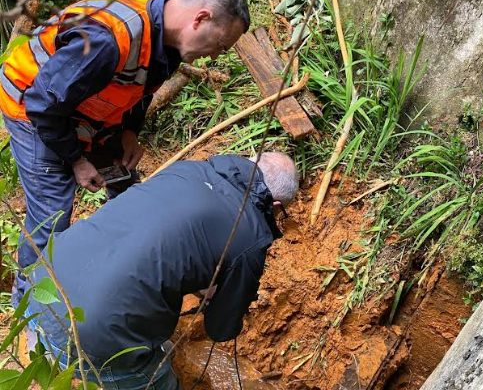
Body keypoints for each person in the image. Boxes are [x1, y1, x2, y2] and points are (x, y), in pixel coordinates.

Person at [0, 0, 250, 304]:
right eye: (220, 45)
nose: (215, 56)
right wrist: (76, 160)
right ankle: (31, 311)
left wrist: (129, 132)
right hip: (31, 106)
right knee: (52, 212)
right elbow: (43, 104)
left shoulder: (167, 40)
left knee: (124, 182)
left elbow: (139, 88)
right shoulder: (109, 39)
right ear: (200, 18)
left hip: (81, 108)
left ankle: (127, 267)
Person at [26, 152, 299, 390]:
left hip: (40, 287)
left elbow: (162, 238)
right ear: (275, 206)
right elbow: (220, 329)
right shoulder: (251, 236)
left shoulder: (187, 169)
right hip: (90, 336)